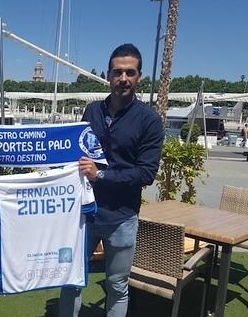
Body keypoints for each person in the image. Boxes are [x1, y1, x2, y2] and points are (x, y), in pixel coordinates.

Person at [59, 43, 164, 317]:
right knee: (71, 281)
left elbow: (146, 173)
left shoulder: (149, 120)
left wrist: (100, 175)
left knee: (117, 286)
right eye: (118, 72)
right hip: (85, 214)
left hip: (122, 217)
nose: (123, 79)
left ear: (139, 76)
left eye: (130, 72)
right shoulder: (92, 111)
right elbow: (76, 154)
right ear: (108, 76)